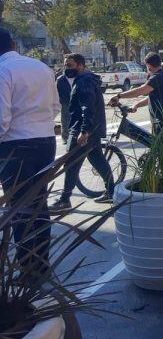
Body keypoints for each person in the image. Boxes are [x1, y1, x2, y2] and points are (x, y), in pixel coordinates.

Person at [0, 28, 59, 274]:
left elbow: (2, 119)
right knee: (39, 204)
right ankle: (41, 262)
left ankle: (28, 267)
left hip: (16, 145)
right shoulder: (41, 68)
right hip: (45, 140)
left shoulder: (3, 71)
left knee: (20, 207)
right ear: (13, 43)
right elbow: (55, 106)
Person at [51, 54, 115, 211]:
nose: (67, 68)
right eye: (66, 65)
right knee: (97, 159)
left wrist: (84, 131)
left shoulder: (84, 81)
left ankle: (65, 200)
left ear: (81, 65)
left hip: (82, 130)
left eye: (70, 65)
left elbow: (87, 108)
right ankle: (112, 192)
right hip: (91, 129)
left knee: (71, 164)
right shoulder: (86, 79)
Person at [110, 52, 163, 134]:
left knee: (159, 144)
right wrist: (137, 105)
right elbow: (152, 98)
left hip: (162, 120)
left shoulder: (157, 77)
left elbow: (139, 91)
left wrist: (119, 96)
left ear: (149, 65)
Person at [56, 69, 75, 144]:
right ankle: (66, 138)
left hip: (77, 101)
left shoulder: (78, 77)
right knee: (65, 121)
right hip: (65, 102)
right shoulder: (60, 79)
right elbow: (56, 91)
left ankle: (76, 136)